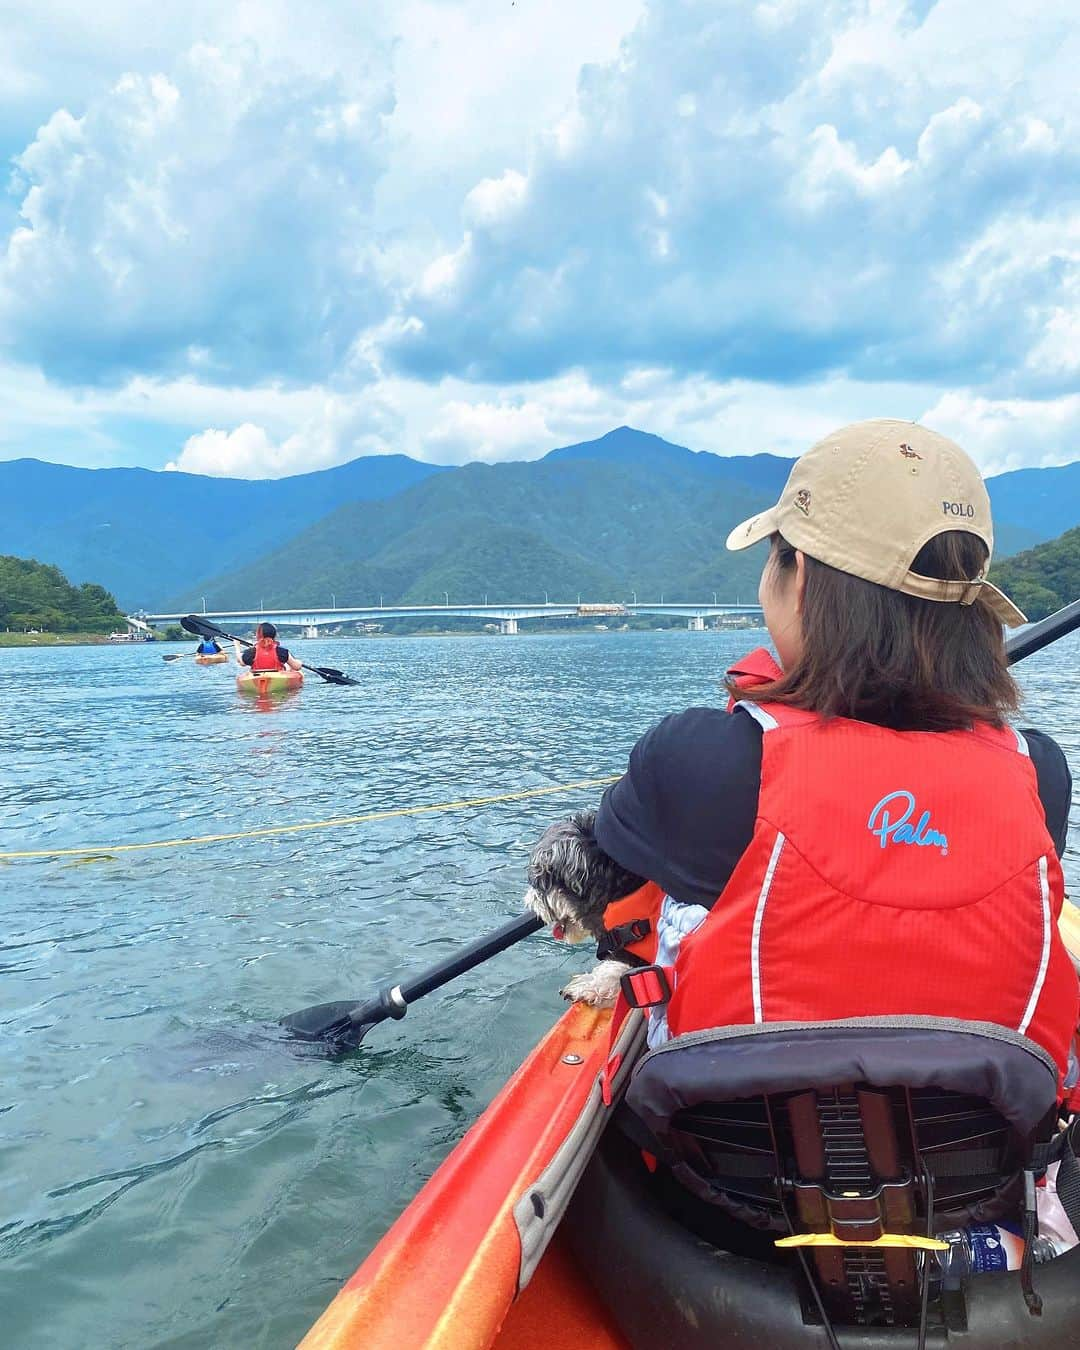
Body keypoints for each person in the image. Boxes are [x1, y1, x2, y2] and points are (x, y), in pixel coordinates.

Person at [590, 419, 1077, 1082]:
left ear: (800, 577)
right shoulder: (1039, 771)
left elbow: (601, 874)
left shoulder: (701, 760)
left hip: (727, 1177)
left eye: (776, 553)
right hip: (974, 1174)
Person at [239, 622, 303, 673]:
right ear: (274, 635)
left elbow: (242, 663)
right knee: (288, 666)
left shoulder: (251, 652)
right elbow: (297, 667)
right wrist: (299, 662)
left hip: (257, 677)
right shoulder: (281, 651)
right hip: (277, 676)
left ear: (258, 636)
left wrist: (237, 646)